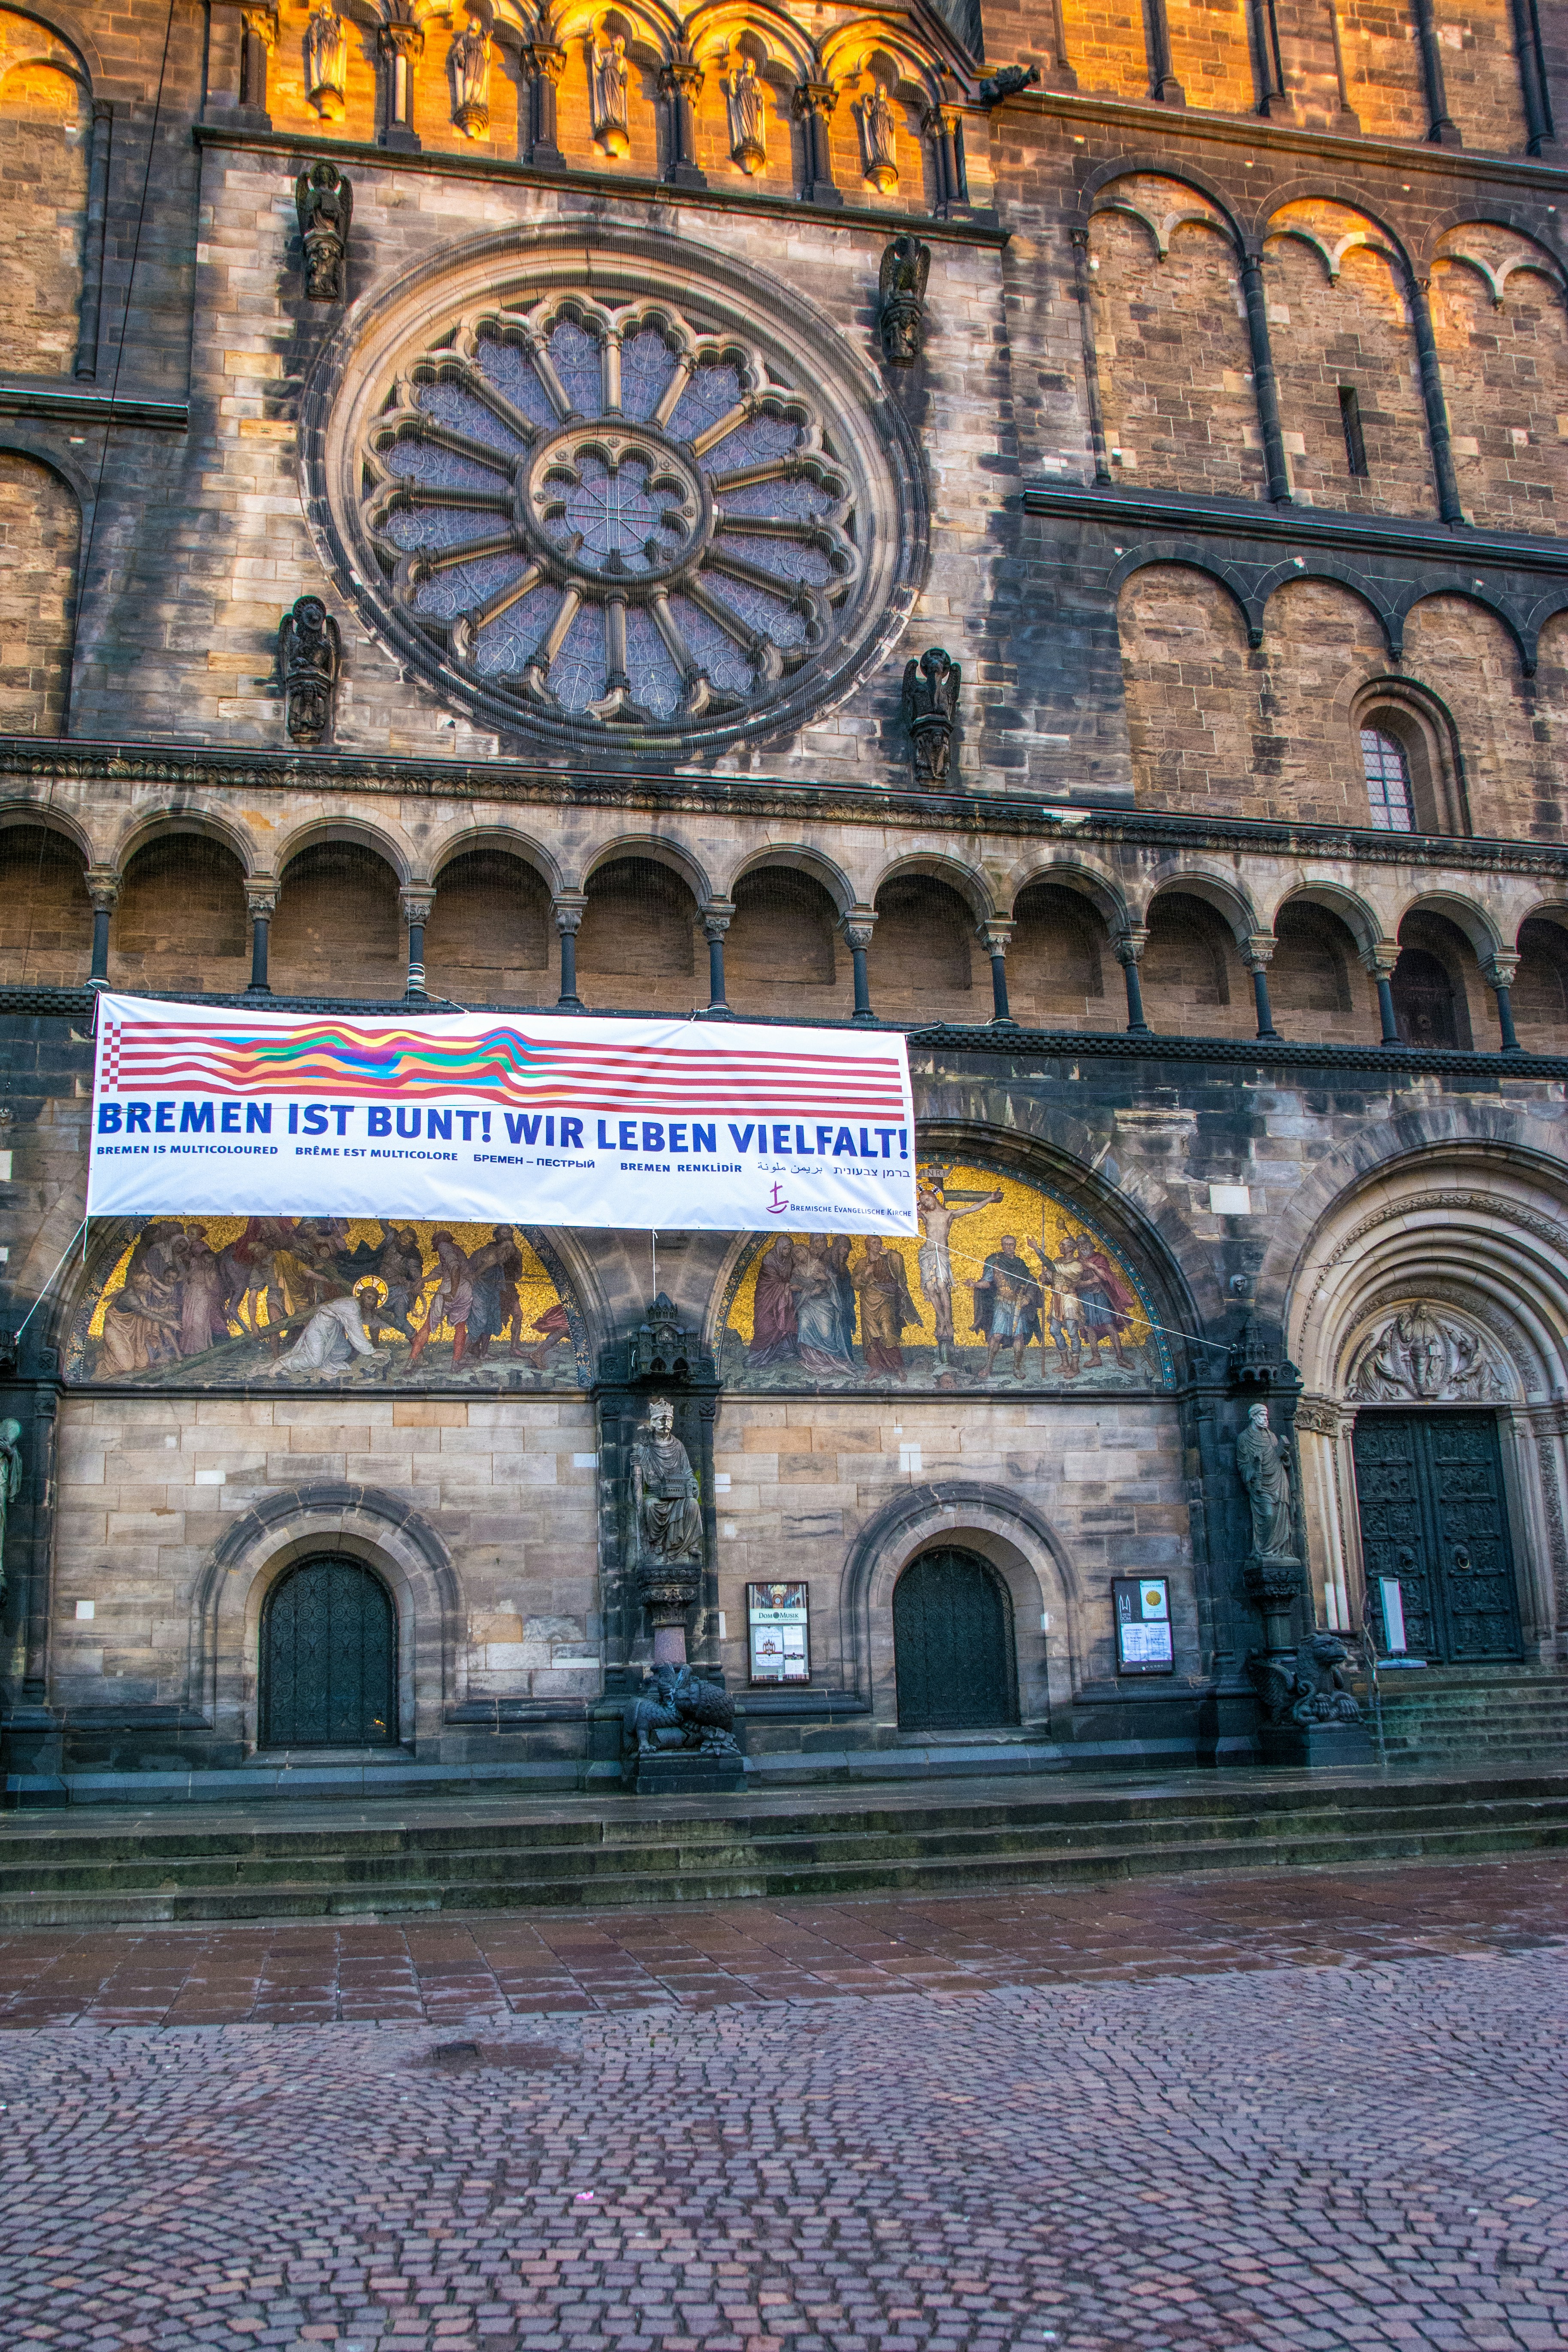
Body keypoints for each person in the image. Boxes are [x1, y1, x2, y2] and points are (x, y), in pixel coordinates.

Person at [915, 1177, 1003, 1364]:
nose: (925, 1203)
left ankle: (947, 1321)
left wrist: (990, 1198)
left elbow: (972, 1209)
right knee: (931, 1289)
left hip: (942, 1254)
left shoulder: (949, 1215)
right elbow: (903, 1214)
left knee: (941, 1284)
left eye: (928, 1199)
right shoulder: (924, 1215)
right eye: (922, 1202)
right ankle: (942, 1320)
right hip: (928, 1253)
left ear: (935, 1198)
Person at [270, 1281, 390, 1378]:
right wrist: (371, 1352)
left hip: (333, 1329)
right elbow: (356, 1331)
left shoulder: (355, 1305)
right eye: (369, 1297)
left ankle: (326, 1365)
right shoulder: (352, 1307)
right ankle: (283, 1364)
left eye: (374, 1300)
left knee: (344, 1350)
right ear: (362, 1295)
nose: (370, 1301)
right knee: (314, 1361)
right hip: (319, 1327)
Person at [850, 1236, 918, 1380]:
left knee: (888, 1331)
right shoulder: (862, 1263)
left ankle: (897, 1368)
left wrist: (887, 1252)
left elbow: (899, 1265)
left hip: (886, 1301)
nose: (877, 1245)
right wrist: (866, 1273)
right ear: (867, 1246)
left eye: (879, 1243)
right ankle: (876, 1368)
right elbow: (855, 1284)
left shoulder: (887, 1260)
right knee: (872, 1336)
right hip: (868, 1303)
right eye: (874, 1243)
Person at [974, 1234, 1041, 1380]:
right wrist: (974, 1284)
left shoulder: (1020, 1264)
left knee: (1019, 1336)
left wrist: (1028, 1298)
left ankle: (1017, 1368)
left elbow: (1031, 1282)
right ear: (1002, 1246)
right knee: (997, 1335)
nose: (1010, 1247)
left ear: (1015, 1246)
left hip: (1018, 1304)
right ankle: (989, 1365)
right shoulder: (995, 1263)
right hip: (1002, 1303)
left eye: (1012, 1244)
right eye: (1007, 1244)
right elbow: (987, 1282)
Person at [408, 1229, 473, 1369]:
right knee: (461, 1327)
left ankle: (411, 1361)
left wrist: (453, 1292)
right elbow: (440, 1271)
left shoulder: (444, 1246)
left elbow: (455, 1267)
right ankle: (455, 1363)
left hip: (450, 1289)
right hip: (466, 1290)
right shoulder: (456, 1250)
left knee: (428, 1326)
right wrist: (423, 1280)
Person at [792, 1235, 854, 1376]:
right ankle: (813, 1361)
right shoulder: (796, 1271)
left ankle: (834, 1360)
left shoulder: (818, 1264)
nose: (799, 1255)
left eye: (800, 1251)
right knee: (804, 1327)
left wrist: (824, 1279)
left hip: (824, 1302)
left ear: (806, 1251)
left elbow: (832, 1279)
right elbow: (792, 1286)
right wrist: (804, 1290)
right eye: (796, 1254)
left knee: (827, 1334)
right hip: (807, 1304)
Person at [1073, 1233, 1135, 1370]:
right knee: (1089, 1328)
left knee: (1109, 1325)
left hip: (1101, 1296)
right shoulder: (1077, 1262)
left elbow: (1106, 1277)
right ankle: (1096, 1358)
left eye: (1084, 1244)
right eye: (1079, 1245)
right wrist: (1088, 1281)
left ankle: (1120, 1357)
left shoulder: (1100, 1258)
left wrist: (1093, 1266)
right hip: (1085, 1297)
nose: (1082, 1247)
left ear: (1090, 1245)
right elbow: (1075, 1284)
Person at [749, 1236, 798, 1367]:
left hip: (783, 1298)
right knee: (765, 1325)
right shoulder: (769, 1259)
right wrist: (789, 1287)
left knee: (786, 1321)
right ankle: (757, 1358)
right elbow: (769, 1281)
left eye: (789, 1249)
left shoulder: (789, 1261)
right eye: (785, 1249)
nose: (787, 1251)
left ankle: (785, 1351)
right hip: (767, 1298)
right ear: (779, 1248)